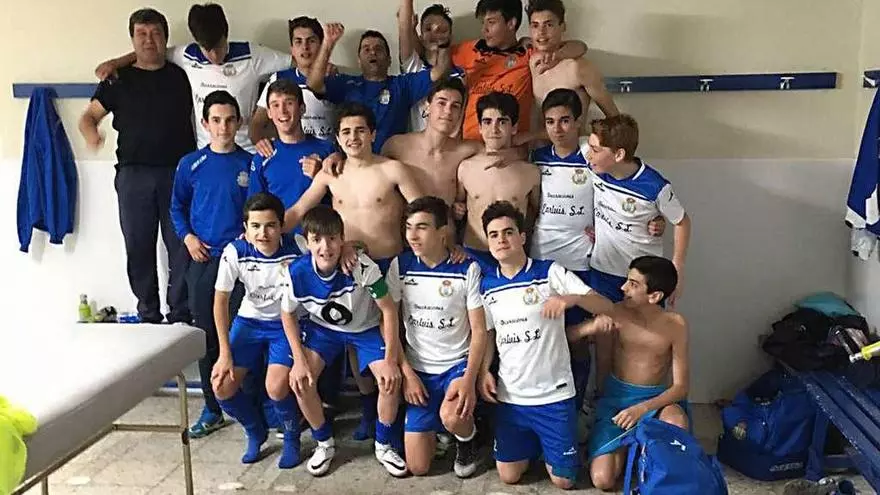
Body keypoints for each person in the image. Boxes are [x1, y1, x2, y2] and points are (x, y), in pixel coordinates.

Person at [530, 89, 666, 413]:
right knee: (544, 337)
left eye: (565, 120)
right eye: (550, 122)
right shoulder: (536, 157)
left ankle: (582, 403)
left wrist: (654, 218)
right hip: (541, 260)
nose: (558, 128)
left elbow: (624, 189)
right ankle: (546, 404)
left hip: (582, 262)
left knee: (582, 340)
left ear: (578, 122)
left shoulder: (591, 156)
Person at [475, 201, 616, 489]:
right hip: (512, 397)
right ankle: (536, 446)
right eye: (493, 235)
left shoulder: (549, 272)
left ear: (522, 237)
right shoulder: (487, 286)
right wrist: (483, 371)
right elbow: (488, 334)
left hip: (554, 396)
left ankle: (556, 448)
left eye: (508, 232)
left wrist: (571, 299)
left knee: (564, 481)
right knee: (509, 476)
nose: (501, 240)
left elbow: (606, 306)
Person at [78, 7, 193, 325]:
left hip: (177, 173)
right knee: (138, 246)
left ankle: (180, 314)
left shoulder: (181, 74)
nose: (148, 40)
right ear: (132, 39)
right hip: (133, 175)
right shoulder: (117, 80)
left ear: (165, 38)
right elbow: (88, 117)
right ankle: (148, 313)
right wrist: (92, 135)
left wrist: (118, 59)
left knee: (181, 245)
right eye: (141, 34)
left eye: (155, 33)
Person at [281, 205, 408, 477]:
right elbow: (287, 314)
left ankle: (384, 445)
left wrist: (390, 360)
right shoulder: (297, 272)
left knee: (389, 379)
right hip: (324, 330)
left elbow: (388, 309)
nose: (325, 247)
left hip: (365, 328)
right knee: (301, 381)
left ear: (342, 239)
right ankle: (324, 443)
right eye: (317, 239)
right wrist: (299, 361)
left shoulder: (362, 266)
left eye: (332, 239)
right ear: (307, 243)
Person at [584, 113, 691, 415]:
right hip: (604, 272)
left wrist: (677, 268)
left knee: (649, 345)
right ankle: (602, 402)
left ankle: (654, 406)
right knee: (604, 339)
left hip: (643, 281)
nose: (588, 154)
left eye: (595, 150)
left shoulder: (654, 186)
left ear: (618, 154)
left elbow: (682, 222)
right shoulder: (596, 165)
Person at [95, 3, 291, 153]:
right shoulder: (188, 55)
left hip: (246, 151)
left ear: (226, 35)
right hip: (206, 153)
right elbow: (152, 52)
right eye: (207, 49)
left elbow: (295, 63)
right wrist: (116, 63)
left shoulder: (253, 56)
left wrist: (264, 110)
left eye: (218, 47)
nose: (214, 56)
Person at [170, 90, 253, 438]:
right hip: (203, 261)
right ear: (205, 124)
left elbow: (256, 211)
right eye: (216, 120)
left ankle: (249, 405)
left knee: (241, 334)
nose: (223, 127)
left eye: (230, 120)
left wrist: (247, 238)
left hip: (240, 264)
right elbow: (177, 207)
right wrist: (188, 238)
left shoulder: (250, 163)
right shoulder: (190, 164)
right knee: (207, 336)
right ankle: (212, 407)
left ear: (239, 122)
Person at [387, 196, 486, 478]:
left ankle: (468, 439)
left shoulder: (467, 268)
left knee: (453, 416)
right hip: (419, 370)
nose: (412, 235)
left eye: (422, 227)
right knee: (418, 468)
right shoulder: (400, 265)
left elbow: (479, 331)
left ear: (443, 232)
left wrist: (469, 379)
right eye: (409, 227)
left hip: (456, 366)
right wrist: (407, 373)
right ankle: (442, 431)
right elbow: (389, 323)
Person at [578, 256, 690, 491]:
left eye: (633, 284)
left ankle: (646, 452)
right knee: (602, 479)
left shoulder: (675, 324)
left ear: (655, 296)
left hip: (655, 401)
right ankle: (634, 448)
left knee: (677, 422)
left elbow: (681, 387)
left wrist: (642, 409)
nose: (623, 288)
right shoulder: (614, 313)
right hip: (617, 401)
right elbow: (603, 363)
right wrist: (604, 408)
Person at [211, 192, 303, 468]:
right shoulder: (235, 251)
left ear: (281, 226)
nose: (263, 233)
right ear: (246, 228)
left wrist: (349, 249)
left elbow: (330, 249)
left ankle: (292, 438)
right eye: (256, 226)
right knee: (222, 386)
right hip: (249, 323)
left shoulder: (298, 246)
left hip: (285, 324)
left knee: (276, 387)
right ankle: (254, 431)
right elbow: (220, 301)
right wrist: (224, 353)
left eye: (270, 225)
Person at [282, 103, 423, 271]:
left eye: (360, 130)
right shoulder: (329, 174)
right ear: (338, 139)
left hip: (391, 264)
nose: (353, 137)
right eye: (346, 132)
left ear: (373, 135)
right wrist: (268, 229)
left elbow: (424, 212)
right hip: (346, 265)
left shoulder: (394, 170)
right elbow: (298, 211)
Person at [450, 0, 586, 141]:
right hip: (470, 143)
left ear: (511, 23)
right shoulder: (471, 50)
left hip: (510, 144)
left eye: (491, 22)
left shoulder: (527, 53)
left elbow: (580, 47)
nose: (484, 29)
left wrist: (556, 56)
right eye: (482, 23)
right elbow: (439, 58)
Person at [306, 22, 451, 152]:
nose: (373, 52)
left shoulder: (402, 85)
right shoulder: (345, 84)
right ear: (359, 60)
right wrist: (327, 44)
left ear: (389, 60)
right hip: (353, 163)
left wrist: (444, 43)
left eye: (378, 49)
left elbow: (439, 72)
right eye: (366, 49)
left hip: (391, 163)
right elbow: (313, 84)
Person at [457, 92, 541, 270]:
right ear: (479, 127)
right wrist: (456, 210)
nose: (494, 129)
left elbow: (538, 214)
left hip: (515, 257)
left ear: (514, 127)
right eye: (487, 122)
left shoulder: (531, 172)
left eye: (502, 122)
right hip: (474, 253)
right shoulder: (465, 168)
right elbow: (457, 210)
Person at [248, 78, 336, 231]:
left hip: (320, 240)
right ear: (269, 113)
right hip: (280, 241)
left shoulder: (327, 150)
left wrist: (321, 176)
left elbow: (343, 201)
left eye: (289, 103)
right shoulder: (263, 156)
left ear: (302, 108)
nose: (282, 111)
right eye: (275, 105)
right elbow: (254, 210)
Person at [527, 0, 618, 123]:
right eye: (535, 25)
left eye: (549, 25)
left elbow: (615, 118)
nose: (541, 32)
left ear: (563, 26)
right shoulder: (533, 62)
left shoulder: (579, 68)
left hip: (574, 136)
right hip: (537, 136)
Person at [251, 17, 338, 144]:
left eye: (311, 41)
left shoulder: (334, 77)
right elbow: (256, 125)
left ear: (321, 46)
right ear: (292, 48)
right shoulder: (278, 78)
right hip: (291, 152)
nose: (305, 47)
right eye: (298, 42)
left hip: (327, 153)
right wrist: (264, 148)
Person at [397, 1, 465, 133]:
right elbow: (404, 29)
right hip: (417, 143)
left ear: (450, 37)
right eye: (428, 29)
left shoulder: (460, 74)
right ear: (421, 36)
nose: (435, 34)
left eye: (442, 30)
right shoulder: (414, 67)